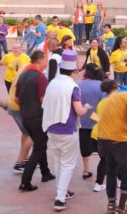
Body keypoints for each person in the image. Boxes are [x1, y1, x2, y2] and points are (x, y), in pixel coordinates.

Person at [42, 50, 91, 211]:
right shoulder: (73, 86)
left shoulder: (52, 83)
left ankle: (61, 191)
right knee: (68, 164)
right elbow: (79, 111)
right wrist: (86, 108)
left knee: (58, 161)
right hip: (68, 129)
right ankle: (60, 197)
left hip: (51, 128)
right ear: (74, 70)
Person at [97, 78, 127, 214]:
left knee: (111, 171)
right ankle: (121, 208)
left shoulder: (115, 95)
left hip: (102, 141)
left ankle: (111, 205)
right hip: (118, 142)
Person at [16, 51, 54, 192]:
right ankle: (25, 181)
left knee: (40, 143)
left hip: (26, 116)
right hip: (38, 117)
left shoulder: (23, 75)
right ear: (40, 60)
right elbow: (43, 100)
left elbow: (16, 99)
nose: (46, 64)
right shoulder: (40, 77)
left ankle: (45, 173)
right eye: (46, 61)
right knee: (40, 147)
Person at [77, 64, 105, 184]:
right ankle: (105, 170)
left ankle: (86, 169)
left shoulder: (78, 85)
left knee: (84, 147)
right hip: (98, 122)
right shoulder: (101, 86)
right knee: (102, 149)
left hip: (81, 121)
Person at [91, 79, 119, 192]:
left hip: (97, 133)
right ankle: (100, 183)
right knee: (110, 159)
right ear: (114, 88)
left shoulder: (102, 101)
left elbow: (95, 117)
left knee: (105, 159)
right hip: (108, 135)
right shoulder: (115, 101)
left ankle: (100, 183)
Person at [7, 62, 33, 173]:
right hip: (17, 106)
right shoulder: (30, 71)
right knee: (32, 134)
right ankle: (19, 163)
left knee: (26, 133)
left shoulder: (25, 67)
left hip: (13, 104)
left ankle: (25, 159)